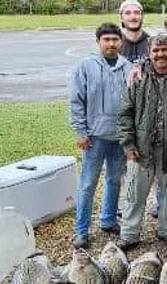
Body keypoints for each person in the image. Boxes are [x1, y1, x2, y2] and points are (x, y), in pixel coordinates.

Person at [117, 35, 167, 250]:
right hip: (142, 148)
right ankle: (130, 234)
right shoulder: (139, 77)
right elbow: (125, 113)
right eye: (156, 50)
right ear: (149, 53)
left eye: (165, 50)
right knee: (134, 194)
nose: (160, 54)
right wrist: (129, 144)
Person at [68, 23, 131, 249]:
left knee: (114, 180)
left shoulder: (128, 67)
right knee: (88, 184)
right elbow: (77, 101)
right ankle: (82, 230)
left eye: (115, 40)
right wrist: (80, 131)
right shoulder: (86, 67)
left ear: (121, 42)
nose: (111, 44)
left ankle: (108, 219)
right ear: (98, 42)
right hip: (94, 136)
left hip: (119, 136)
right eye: (107, 40)